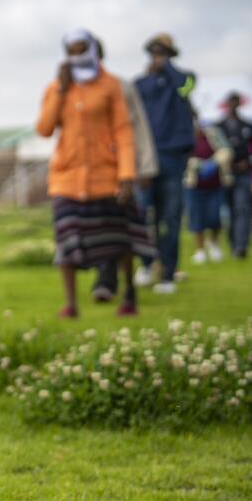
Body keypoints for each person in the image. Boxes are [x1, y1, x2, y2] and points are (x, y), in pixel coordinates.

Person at [37, 29, 149, 318]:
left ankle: (128, 292)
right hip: (67, 178)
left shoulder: (110, 85)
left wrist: (126, 175)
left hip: (106, 176)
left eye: (81, 49)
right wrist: (61, 90)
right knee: (67, 240)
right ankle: (71, 304)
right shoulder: (56, 87)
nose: (76, 55)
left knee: (119, 240)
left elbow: (124, 132)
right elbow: (44, 129)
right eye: (71, 50)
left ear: (92, 50)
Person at [89, 36, 159, 303]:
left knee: (120, 225)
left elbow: (138, 127)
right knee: (98, 226)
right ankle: (107, 278)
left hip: (122, 169)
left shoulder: (121, 86)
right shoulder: (70, 89)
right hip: (91, 173)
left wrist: (144, 166)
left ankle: (119, 279)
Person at [133, 33, 197, 293]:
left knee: (170, 217)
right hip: (147, 160)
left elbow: (185, 87)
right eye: (154, 52)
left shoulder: (184, 79)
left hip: (172, 158)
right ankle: (147, 263)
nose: (157, 57)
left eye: (163, 53)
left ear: (171, 55)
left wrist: (167, 68)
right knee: (142, 214)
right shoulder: (140, 84)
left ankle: (168, 273)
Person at [216, 92, 252, 258]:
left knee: (242, 208)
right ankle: (233, 243)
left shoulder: (247, 126)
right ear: (227, 104)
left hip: (243, 173)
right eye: (231, 103)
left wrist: (247, 162)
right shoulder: (218, 126)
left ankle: (241, 246)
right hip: (225, 174)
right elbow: (214, 149)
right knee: (229, 210)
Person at [185, 116, 234, 263]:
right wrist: (197, 164)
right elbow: (182, 156)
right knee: (196, 218)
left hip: (216, 185)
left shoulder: (213, 133)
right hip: (194, 186)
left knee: (215, 216)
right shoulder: (185, 137)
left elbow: (227, 150)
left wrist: (213, 162)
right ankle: (199, 250)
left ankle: (213, 244)